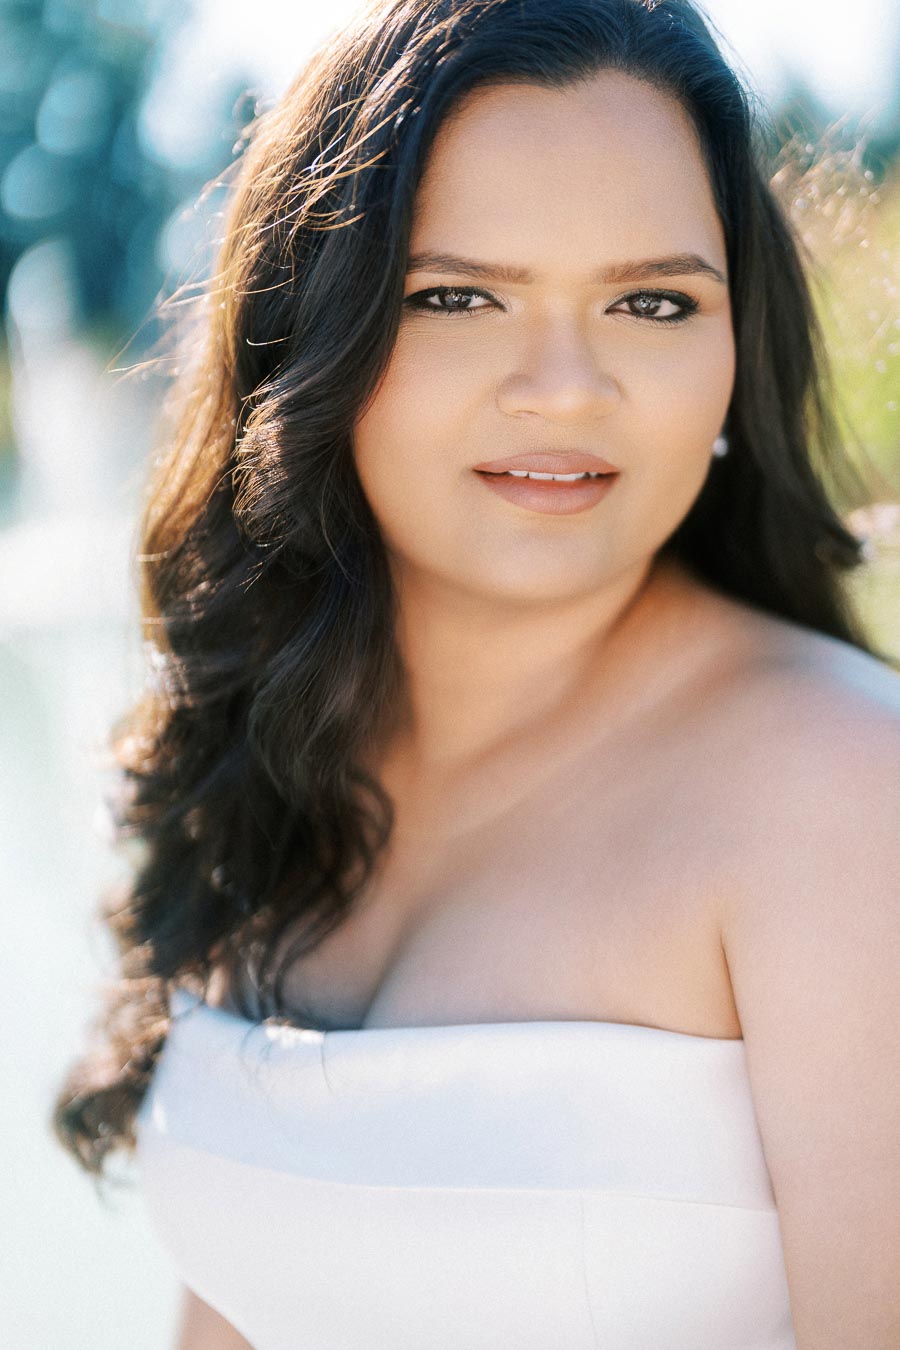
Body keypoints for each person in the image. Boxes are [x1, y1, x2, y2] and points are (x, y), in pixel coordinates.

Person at [53, 1, 900, 1347]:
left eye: (652, 300)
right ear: (311, 334)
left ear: (736, 350)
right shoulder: (276, 737)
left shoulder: (846, 797)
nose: (565, 387)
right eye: (457, 294)